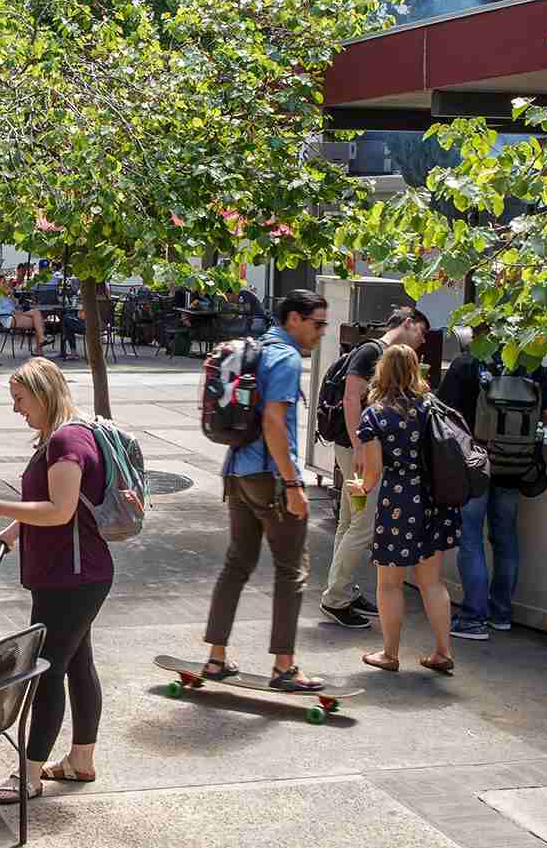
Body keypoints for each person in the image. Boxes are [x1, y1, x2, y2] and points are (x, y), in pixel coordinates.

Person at [0, 358, 112, 804]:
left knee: (46, 671)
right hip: (75, 574)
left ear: (42, 393)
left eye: (19, 399)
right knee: (77, 665)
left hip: (70, 577)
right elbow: (50, 506)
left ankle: (27, 776)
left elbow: (60, 511)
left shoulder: (66, 440)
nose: (16, 409)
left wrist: (0, 508)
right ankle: (80, 760)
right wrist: (11, 536)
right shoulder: (64, 435)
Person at [191, 289, 331, 693]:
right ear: (294, 320)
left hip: (237, 472)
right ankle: (284, 668)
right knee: (292, 570)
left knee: (237, 563)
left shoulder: (255, 350)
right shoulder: (285, 357)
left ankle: (216, 659)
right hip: (271, 478)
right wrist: (292, 484)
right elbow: (273, 423)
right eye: (317, 323)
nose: (321, 332)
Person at [439, 331, 547, 640]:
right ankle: (501, 614)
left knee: (470, 537)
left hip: (475, 463)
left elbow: (441, 414)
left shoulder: (465, 364)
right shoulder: (529, 365)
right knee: (505, 536)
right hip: (514, 465)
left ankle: (473, 617)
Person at [320, 305, 431, 628]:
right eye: (421, 333)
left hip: (358, 449)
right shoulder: (372, 351)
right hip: (360, 451)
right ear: (408, 323)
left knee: (350, 522)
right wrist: (359, 447)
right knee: (364, 524)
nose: (421, 341)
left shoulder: (375, 351)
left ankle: (342, 591)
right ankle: (336, 598)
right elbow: (351, 398)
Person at [352, 344, 461, 676]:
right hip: (435, 498)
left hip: (400, 501)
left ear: (382, 370)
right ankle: (443, 652)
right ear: (416, 370)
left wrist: (361, 488)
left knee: (389, 583)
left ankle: (390, 653)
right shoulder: (431, 407)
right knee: (431, 582)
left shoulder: (375, 415)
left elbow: (372, 472)